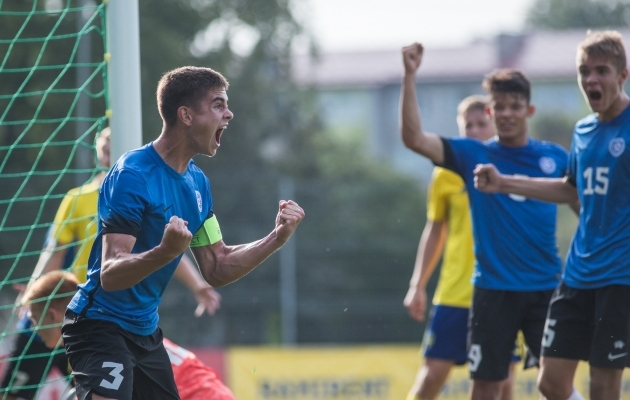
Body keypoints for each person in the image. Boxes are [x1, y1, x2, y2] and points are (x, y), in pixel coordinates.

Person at [62, 66, 305, 400]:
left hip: (145, 334)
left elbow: (217, 265)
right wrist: (165, 251)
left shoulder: (198, 184)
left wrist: (276, 237)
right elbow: (110, 274)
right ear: (186, 115)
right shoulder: (132, 173)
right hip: (99, 325)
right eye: (218, 104)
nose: (229, 113)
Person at [400, 43, 570, 400]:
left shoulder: (555, 158)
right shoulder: (472, 154)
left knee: (555, 385)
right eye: (501, 107)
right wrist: (410, 76)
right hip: (493, 291)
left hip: (546, 290)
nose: (507, 114)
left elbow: (590, 206)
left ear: (529, 110)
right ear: (492, 112)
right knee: (487, 387)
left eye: (515, 106)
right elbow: (414, 139)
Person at [1, 128, 222, 400]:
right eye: (104, 147)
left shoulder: (146, 188)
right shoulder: (77, 199)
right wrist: (37, 288)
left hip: (119, 309)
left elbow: (165, 252)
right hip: (74, 304)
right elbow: (54, 250)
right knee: (20, 382)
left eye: (113, 147)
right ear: (98, 152)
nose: (108, 153)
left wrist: (198, 285)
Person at [474, 30, 630, 400]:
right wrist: (503, 183)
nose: (591, 79)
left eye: (601, 71)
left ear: (622, 75)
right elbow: (570, 189)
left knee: (604, 384)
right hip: (578, 275)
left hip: (621, 276)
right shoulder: (584, 131)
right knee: (550, 382)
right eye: (584, 71)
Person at [404, 95, 520, 400]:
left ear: (494, 124)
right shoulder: (445, 173)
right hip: (456, 291)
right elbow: (435, 228)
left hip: (503, 289)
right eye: (468, 125)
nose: (475, 130)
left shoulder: (512, 169)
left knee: (503, 382)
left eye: (482, 123)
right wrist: (418, 284)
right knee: (431, 376)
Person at [21, 271, 236, 400]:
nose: (32, 327)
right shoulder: (116, 327)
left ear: (52, 315)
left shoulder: (96, 341)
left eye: (32, 318)